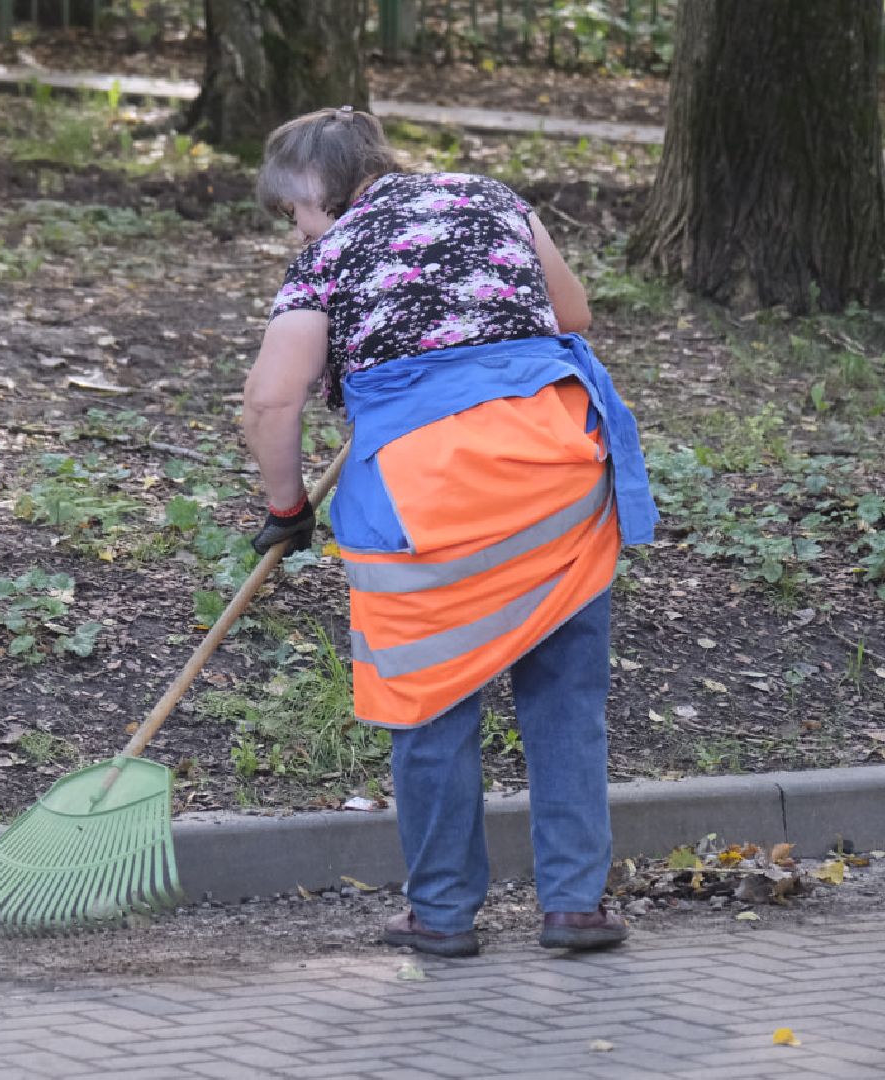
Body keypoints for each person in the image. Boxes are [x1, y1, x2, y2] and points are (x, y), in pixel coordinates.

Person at [241, 106, 659, 959]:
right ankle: (574, 905)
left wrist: (287, 509)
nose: (295, 227)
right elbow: (570, 312)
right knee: (564, 700)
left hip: (427, 498)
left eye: (292, 209)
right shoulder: (486, 196)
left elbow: (270, 400)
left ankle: (440, 914)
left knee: (428, 701)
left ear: (318, 188)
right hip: (556, 472)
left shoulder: (325, 258)